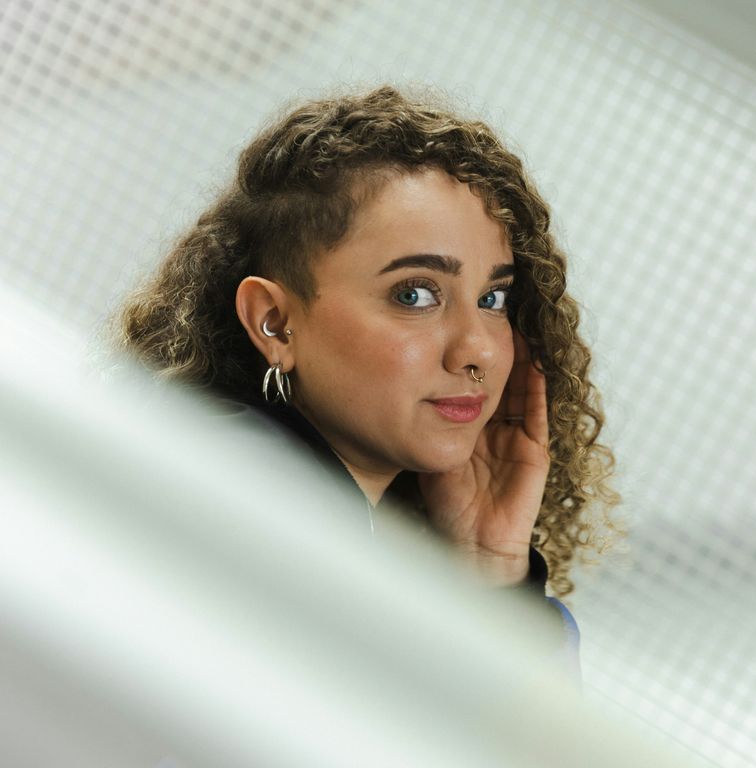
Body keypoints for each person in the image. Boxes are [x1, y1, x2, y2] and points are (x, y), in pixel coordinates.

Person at [116, 85, 619, 665]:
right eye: (415, 293)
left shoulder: (310, 516)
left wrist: (490, 568)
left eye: (495, 299)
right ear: (275, 322)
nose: (477, 348)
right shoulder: (236, 501)